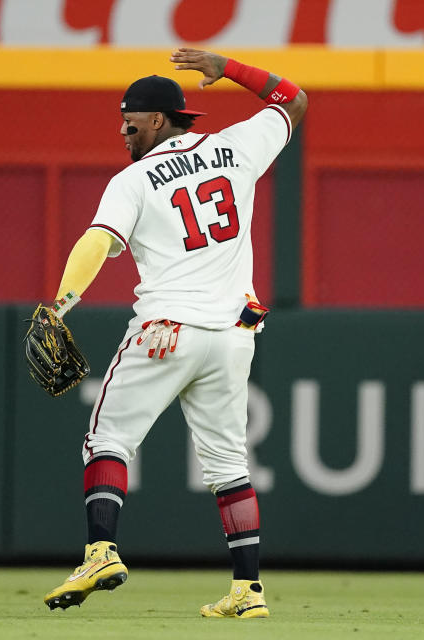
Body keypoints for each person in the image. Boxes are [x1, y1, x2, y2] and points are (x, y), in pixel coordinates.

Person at [40, 48, 308, 618]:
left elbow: (96, 241)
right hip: (234, 334)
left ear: (158, 119)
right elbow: (294, 98)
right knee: (229, 465)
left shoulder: (134, 179)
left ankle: (100, 550)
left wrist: (61, 304)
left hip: (166, 329)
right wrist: (229, 68)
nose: (122, 130)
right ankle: (248, 590)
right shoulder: (234, 147)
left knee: (106, 439)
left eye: (130, 120)